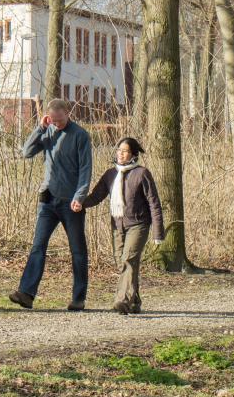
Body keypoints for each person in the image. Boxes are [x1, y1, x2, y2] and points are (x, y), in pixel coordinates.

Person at [9, 98, 92, 311]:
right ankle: (26, 293)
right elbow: (26, 152)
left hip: (71, 202)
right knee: (38, 246)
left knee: (78, 251)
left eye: (60, 120)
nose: (57, 124)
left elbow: (85, 170)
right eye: (53, 120)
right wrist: (40, 128)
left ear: (68, 113)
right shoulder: (47, 131)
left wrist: (80, 196)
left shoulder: (80, 136)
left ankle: (78, 298)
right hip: (48, 199)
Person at [79, 137, 164, 314]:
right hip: (117, 225)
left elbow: (154, 203)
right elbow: (97, 196)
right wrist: (80, 203)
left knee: (128, 260)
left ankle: (122, 300)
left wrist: (158, 232)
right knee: (122, 264)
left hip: (138, 224)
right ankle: (135, 301)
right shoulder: (111, 174)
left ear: (133, 154)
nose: (120, 154)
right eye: (119, 150)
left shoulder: (142, 173)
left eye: (124, 151)